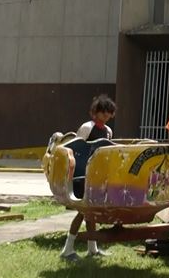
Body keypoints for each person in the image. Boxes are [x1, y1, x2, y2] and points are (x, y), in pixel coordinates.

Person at [60, 94, 117, 262]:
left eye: (109, 112)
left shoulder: (108, 131)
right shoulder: (87, 127)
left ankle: (93, 249)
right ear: (96, 112)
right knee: (83, 211)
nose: (106, 115)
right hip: (82, 177)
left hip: (98, 178)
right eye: (103, 112)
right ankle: (67, 250)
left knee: (91, 213)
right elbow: (74, 149)